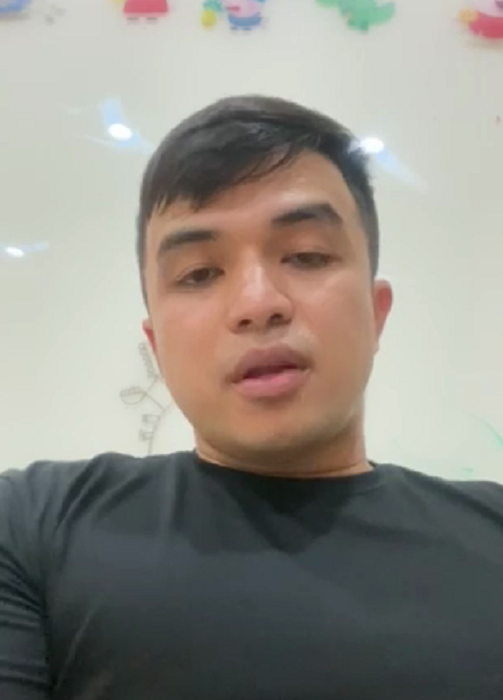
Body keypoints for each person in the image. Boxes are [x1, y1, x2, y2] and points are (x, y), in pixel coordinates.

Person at [1, 95, 502, 700]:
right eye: (199, 274)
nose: (258, 303)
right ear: (157, 345)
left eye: (307, 255)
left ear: (376, 313)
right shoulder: (31, 527)